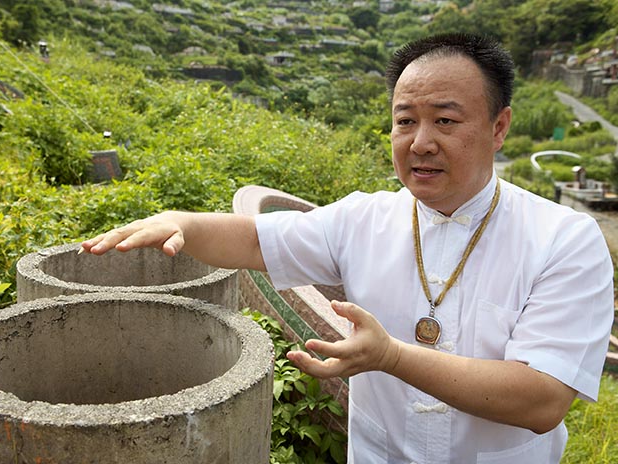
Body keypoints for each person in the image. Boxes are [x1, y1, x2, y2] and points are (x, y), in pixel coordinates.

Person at [81, 33, 614, 463]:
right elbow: (255, 239)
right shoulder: (365, 217)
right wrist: (181, 222)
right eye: (405, 121)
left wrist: (391, 357)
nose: (420, 142)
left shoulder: (563, 239)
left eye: (446, 121)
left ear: (499, 127)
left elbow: (542, 399)